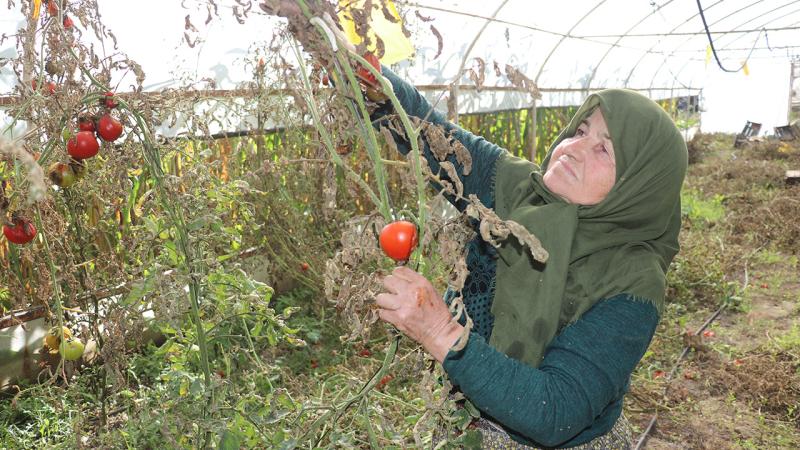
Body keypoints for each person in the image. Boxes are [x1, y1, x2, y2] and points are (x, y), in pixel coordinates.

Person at [372, 67, 688, 448]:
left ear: (638, 184)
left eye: (604, 148)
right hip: (465, 421)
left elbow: (556, 409)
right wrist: (366, 77)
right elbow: (433, 135)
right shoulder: (520, 190)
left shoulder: (633, 282)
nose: (574, 147)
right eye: (581, 131)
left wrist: (440, 331)